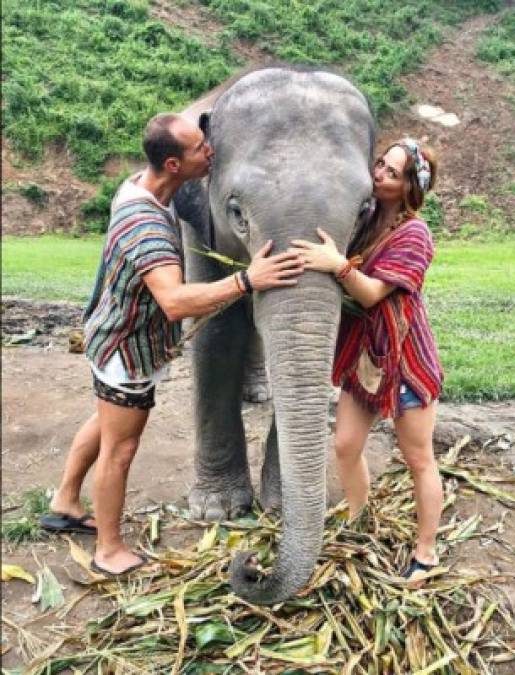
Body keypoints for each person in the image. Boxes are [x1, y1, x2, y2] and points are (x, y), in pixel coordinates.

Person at [40, 113, 304, 576]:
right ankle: (109, 549)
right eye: (200, 148)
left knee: (104, 424)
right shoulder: (146, 225)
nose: (210, 152)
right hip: (128, 350)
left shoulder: (143, 188)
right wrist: (247, 280)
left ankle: (65, 499)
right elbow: (177, 302)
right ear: (173, 165)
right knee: (120, 448)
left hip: (114, 336)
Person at [291, 138, 443, 584]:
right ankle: (360, 521)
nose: (379, 174)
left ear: (411, 188)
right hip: (364, 360)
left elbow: (373, 292)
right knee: (345, 445)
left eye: (393, 173)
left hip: (405, 361)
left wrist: (336, 265)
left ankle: (426, 552)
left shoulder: (415, 234)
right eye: (380, 165)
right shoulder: (365, 221)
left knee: (418, 459)